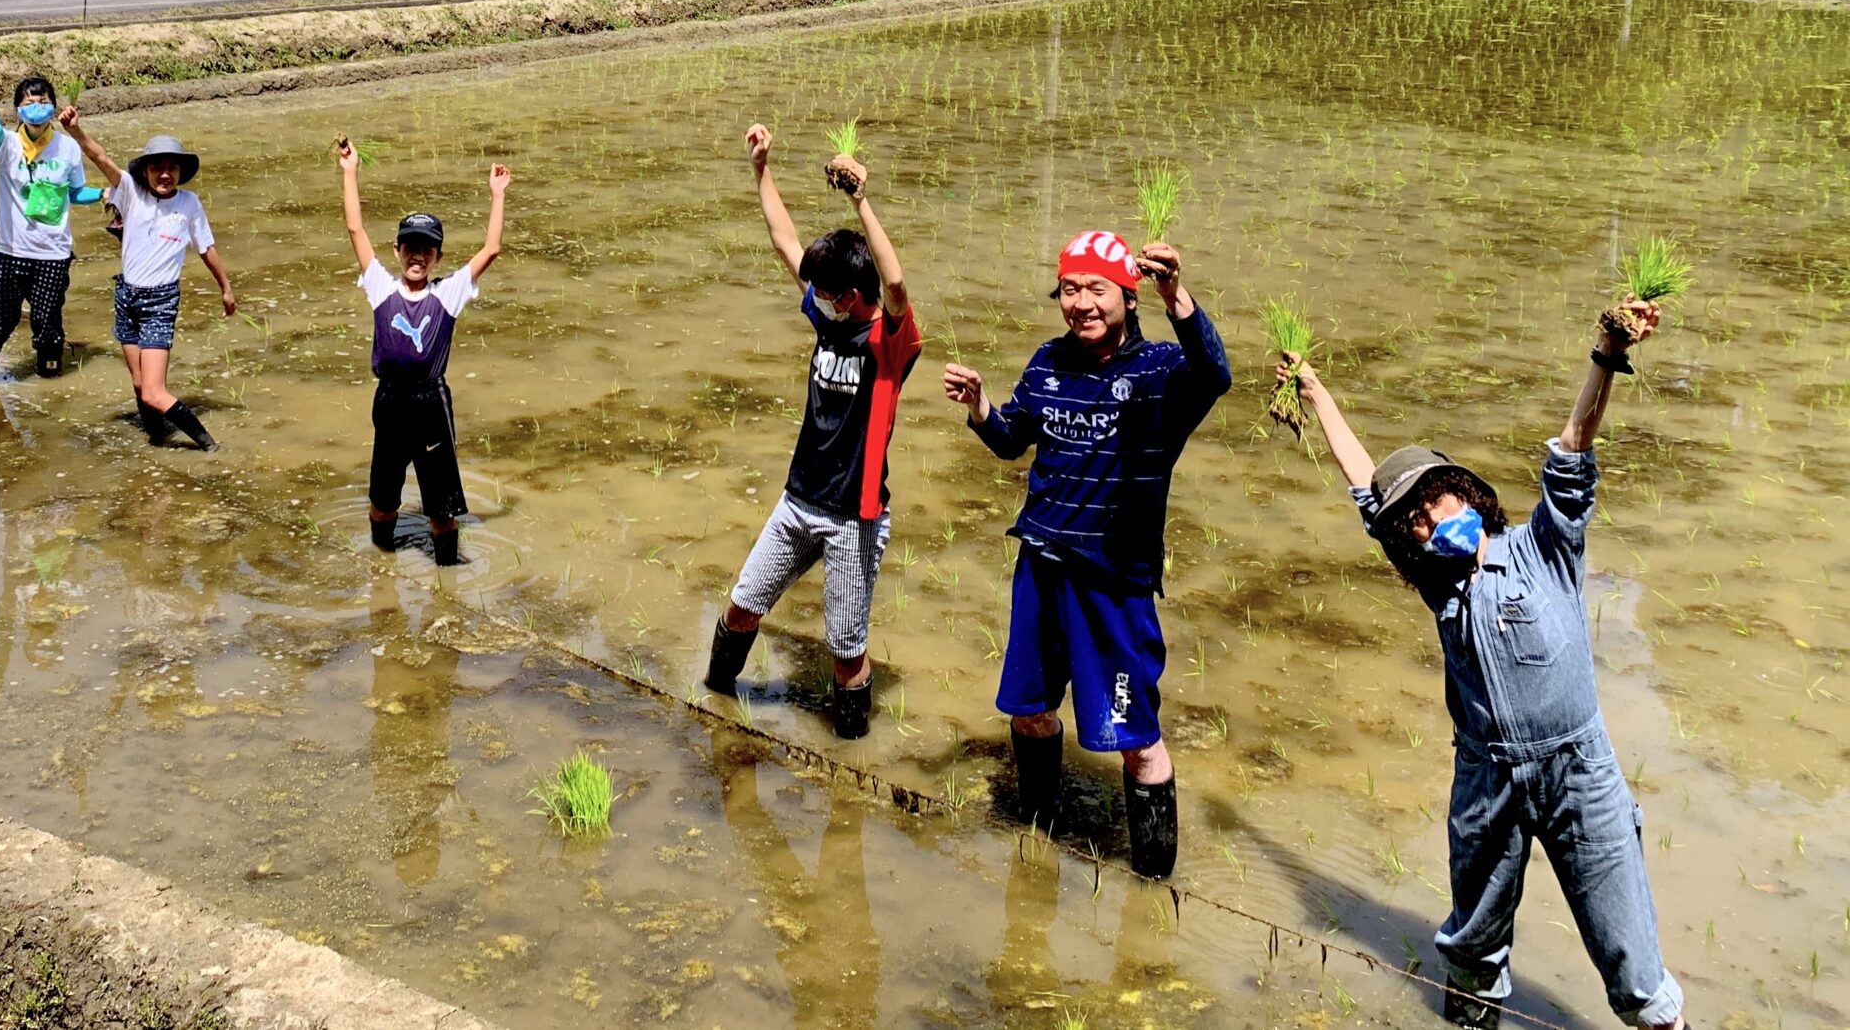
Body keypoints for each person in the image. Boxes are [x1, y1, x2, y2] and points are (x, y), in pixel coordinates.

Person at [1286, 303, 1687, 1030]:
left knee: (1631, 957)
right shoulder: (1442, 590)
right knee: (1473, 946)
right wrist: (1315, 392)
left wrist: (1605, 350)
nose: (1430, 521)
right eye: (1414, 521)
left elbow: (1573, 444)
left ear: (1466, 493)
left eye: (1435, 500)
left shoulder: (1543, 546)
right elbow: (1364, 487)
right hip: (1487, 777)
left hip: (1579, 771)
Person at [941, 229, 1226, 877]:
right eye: (1070, 289)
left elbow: (1216, 372)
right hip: (1041, 563)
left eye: (1096, 288)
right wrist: (983, 406)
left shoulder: (1157, 373)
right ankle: (1037, 836)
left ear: (1127, 295)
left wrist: (1177, 293)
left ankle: (1155, 887)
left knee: (1136, 740)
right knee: (1030, 709)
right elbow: (1014, 438)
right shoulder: (1048, 361)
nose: (1081, 302)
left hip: (1115, 584)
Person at [703, 123, 921, 741]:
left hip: (854, 514)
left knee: (845, 650)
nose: (813, 297)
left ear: (851, 297)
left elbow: (898, 287)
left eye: (824, 292)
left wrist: (861, 202)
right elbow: (784, 239)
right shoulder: (828, 320)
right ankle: (714, 711)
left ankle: (851, 757)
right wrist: (760, 167)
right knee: (743, 607)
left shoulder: (888, 342)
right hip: (799, 501)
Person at [337, 137, 508, 566]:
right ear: (397, 251)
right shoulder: (380, 287)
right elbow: (355, 229)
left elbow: (491, 249)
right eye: (409, 247)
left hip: (430, 402)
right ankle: (382, 566)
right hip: (391, 401)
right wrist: (350, 171)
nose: (417, 255)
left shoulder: (448, 293)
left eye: (426, 249)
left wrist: (497, 196)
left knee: (441, 508)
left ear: (437, 256)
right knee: (383, 498)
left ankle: (447, 576)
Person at [63, 123, 235, 445]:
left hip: (160, 303)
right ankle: (157, 440)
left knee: (155, 392)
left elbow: (206, 248)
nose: (165, 174)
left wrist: (225, 287)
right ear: (146, 171)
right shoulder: (130, 192)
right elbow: (99, 157)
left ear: (181, 172)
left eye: (171, 168)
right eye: (157, 168)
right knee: (141, 384)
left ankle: (209, 446)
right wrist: (75, 131)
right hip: (126, 297)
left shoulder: (189, 204)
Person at [0, 76, 102, 380]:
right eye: (28, 103)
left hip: (53, 254)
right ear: (17, 109)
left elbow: (75, 193)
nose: (37, 108)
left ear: (53, 107)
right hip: (9, 252)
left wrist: (104, 194)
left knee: (48, 327)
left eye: (43, 102)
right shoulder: (7, 144)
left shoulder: (67, 148)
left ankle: (50, 390)